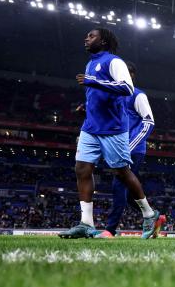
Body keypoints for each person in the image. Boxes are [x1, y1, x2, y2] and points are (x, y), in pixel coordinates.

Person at [59, 28, 163, 239]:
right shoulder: (90, 64)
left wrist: (94, 81)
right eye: (86, 35)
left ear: (104, 40)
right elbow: (97, 95)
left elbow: (126, 88)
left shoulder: (114, 62)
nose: (86, 38)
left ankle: (149, 213)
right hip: (90, 127)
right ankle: (86, 223)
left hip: (113, 128)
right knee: (81, 168)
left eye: (91, 36)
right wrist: (87, 108)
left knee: (121, 172)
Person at [97, 61, 163, 238]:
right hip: (118, 149)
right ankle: (154, 215)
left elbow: (149, 122)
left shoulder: (138, 95)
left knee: (118, 185)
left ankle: (110, 230)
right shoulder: (114, 98)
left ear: (131, 75)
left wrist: (128, 146)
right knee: (127, 196)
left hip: (133, 150)